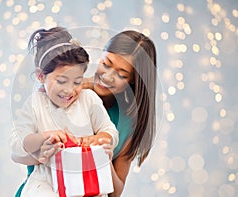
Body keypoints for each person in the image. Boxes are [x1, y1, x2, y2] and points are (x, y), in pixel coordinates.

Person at [12, 29, 157, 197]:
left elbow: (115, 193)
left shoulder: (125, 123)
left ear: (133, 80)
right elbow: (17, 152)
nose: (108, 76)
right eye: (106, 63)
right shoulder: (60, 93)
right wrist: (42, 153)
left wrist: (103, 155)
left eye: (121, 74)